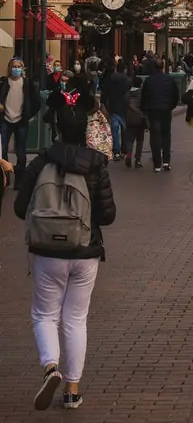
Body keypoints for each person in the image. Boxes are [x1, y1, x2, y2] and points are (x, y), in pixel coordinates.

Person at [14, 94, 116, 410]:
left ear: (56, 129)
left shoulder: (40, 161)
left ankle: (50, 366)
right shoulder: (96, 163)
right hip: (84, 251)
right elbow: (108, 215)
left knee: (44, 314)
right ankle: (72, 390)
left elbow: (20, 208)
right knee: (75, 318)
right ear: (84, 130)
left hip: (46, 251)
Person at [0, 58, 41, 186]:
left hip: (21, 121)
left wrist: (28, 115)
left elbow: (36, 102)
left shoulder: (28, 84)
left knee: (21, 151)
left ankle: (19, 180)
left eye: (19, 66)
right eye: (14, 66)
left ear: (22, 69)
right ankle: (5, 177)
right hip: (5, 120)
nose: (16, 69)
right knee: (3, 149)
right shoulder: (4, 83)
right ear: (9, 68)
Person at [141, 60, 179, 172]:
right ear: (163, 67)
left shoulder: (149, 80)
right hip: (166, 110)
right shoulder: (169, 79)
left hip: (153, 111)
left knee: (155, 135)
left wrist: (145, 109)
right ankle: (166, 161)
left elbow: (144, 96)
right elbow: (176, 95)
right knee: (166, 134)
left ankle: (157, 163)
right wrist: (171, 106)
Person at [102, 60, 131, 162]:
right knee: (125, 130)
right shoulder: (127, 81)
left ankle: (116, 151)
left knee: (114, 130)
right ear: (125, 70)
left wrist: (104, 104)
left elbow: (104, 92)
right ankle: (124, 150)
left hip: (113, 107)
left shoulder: (110, 79)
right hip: (124, 107)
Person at [124, 76, 146, 168]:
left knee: (129, 139)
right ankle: (138, 160)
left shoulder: (127, 93)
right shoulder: (142, 93)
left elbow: (125, 104)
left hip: (129, 119)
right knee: (140, 140)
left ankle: (129, 154)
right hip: (140, 119)